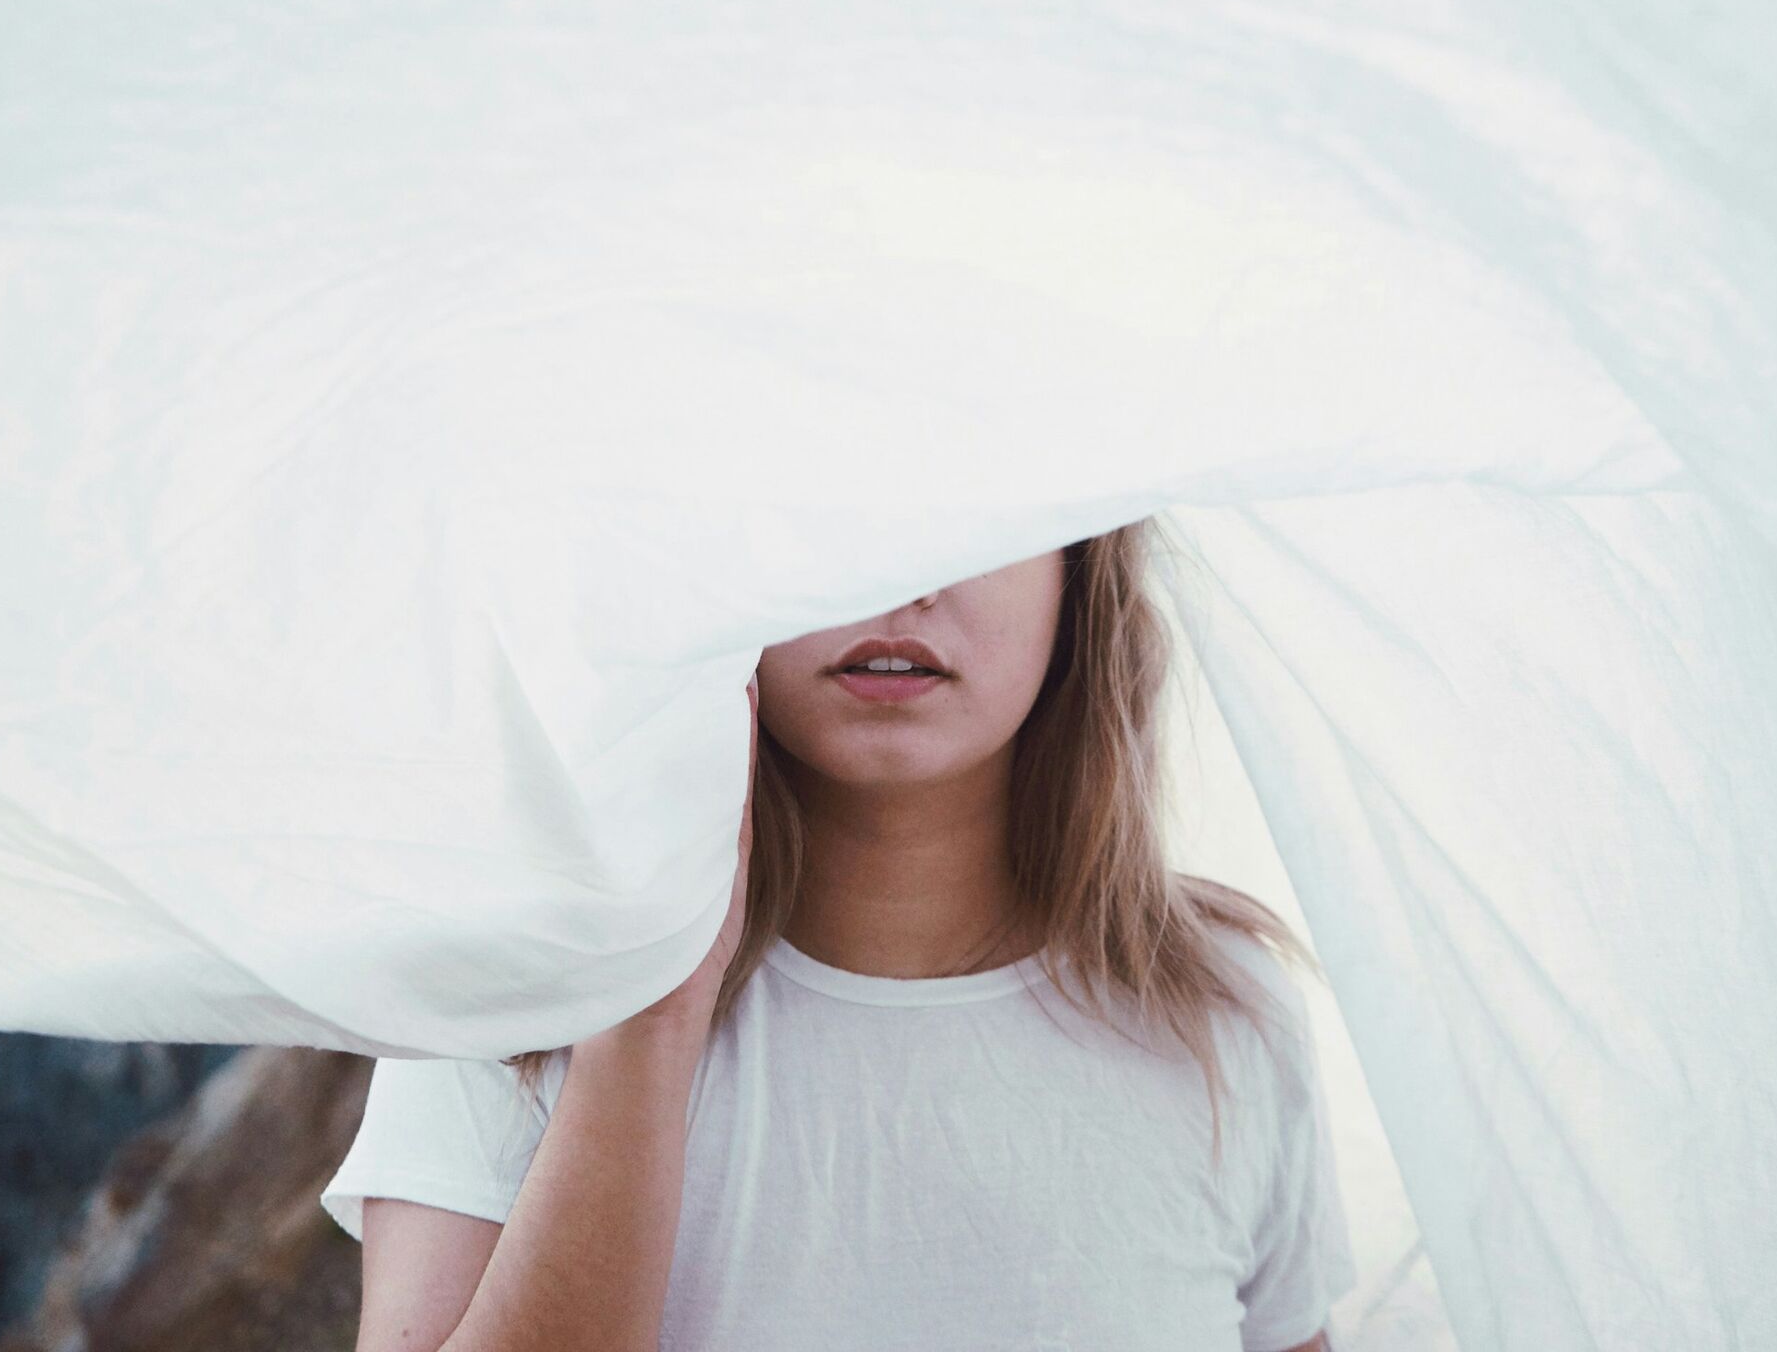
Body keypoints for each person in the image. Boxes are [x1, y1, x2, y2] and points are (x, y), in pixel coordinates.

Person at [319, 518, 1357, 1351]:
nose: (901, 576)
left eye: (977, 508)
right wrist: (643, 1030)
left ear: (1080, 569)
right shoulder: (512, 997)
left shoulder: (1222, 1011)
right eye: (832, 500)